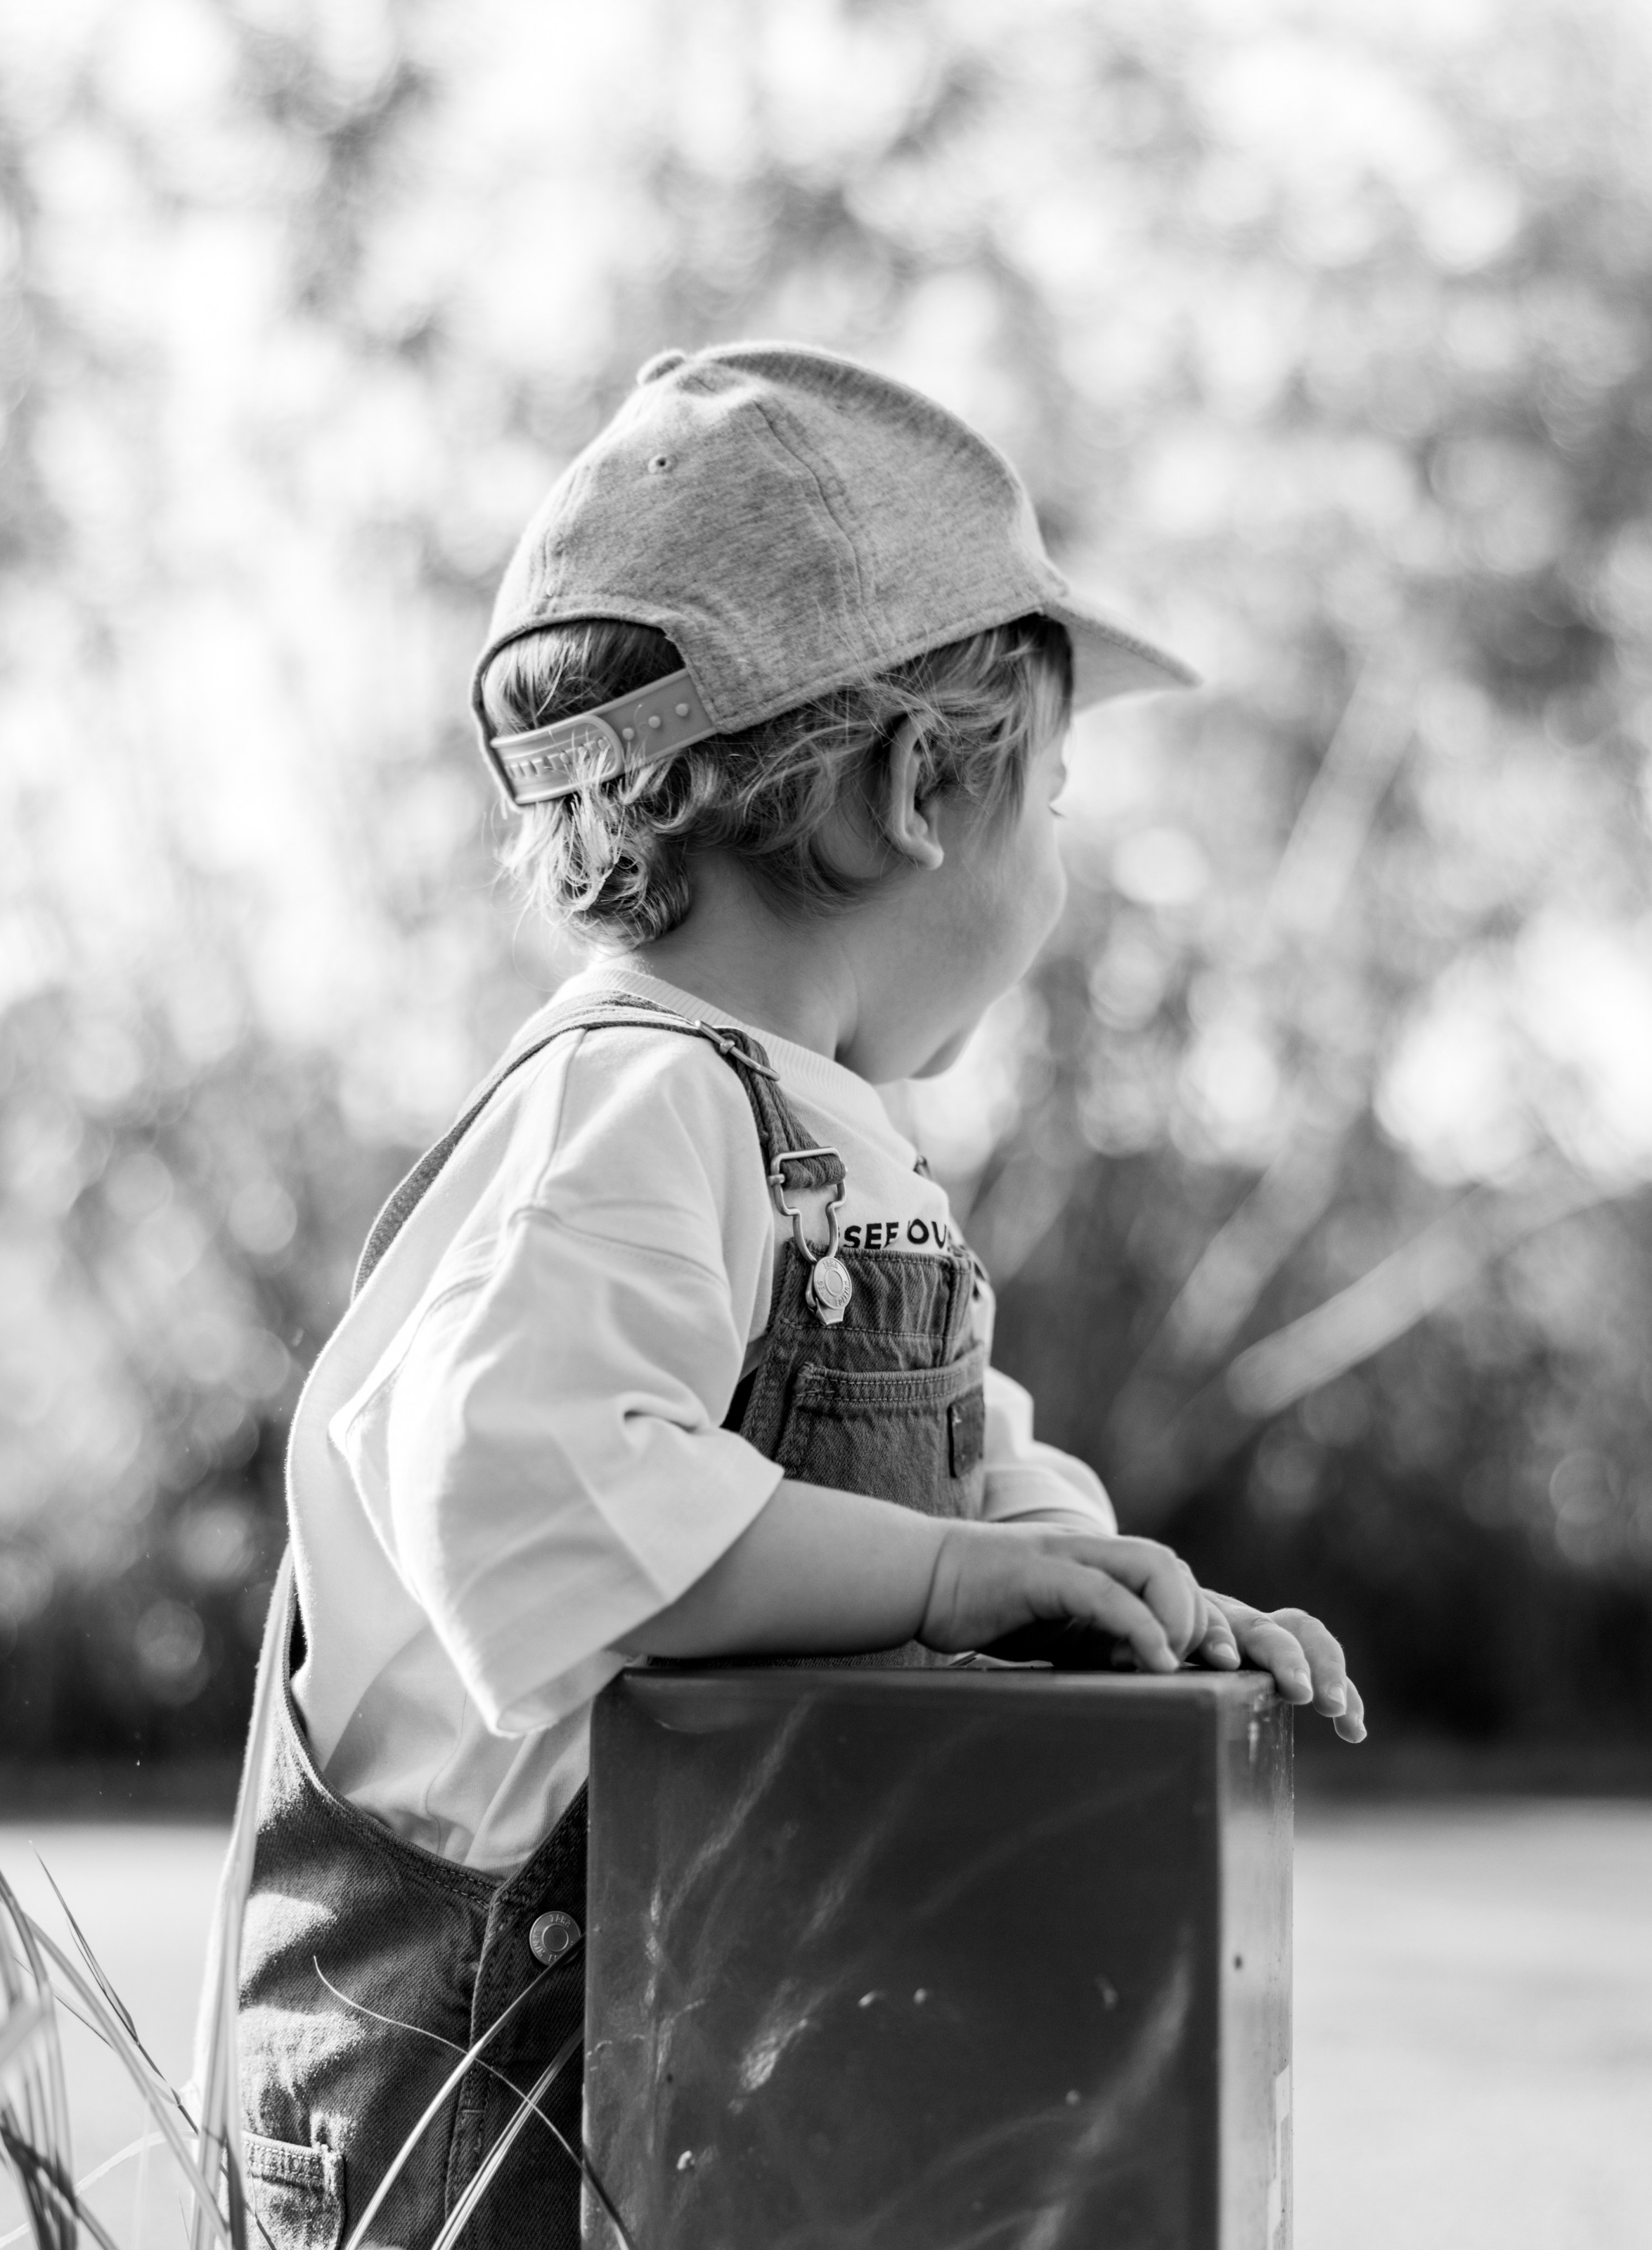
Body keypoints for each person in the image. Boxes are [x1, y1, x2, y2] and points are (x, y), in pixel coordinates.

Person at [233, 342, 1364, 2250]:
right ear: (924, 788)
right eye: (1062, 798)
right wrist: (940, 1582)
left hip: (661, 2116)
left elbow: (958, 1473)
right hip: (471, 2136)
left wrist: (1102, 1598)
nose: (1068, 859)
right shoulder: (632, 1107)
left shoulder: (829, 1157)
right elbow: (521, 1493)